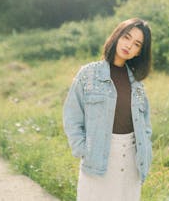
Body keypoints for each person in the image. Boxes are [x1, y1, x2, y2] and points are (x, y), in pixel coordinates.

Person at [63, 18, 153, 201]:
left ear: (138, 52)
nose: (129, 45)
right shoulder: (88, 74)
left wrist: (147, 152)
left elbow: (145, 124)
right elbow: (72, 116)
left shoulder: (136, 84)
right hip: (98, 157)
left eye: (136, 44)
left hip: (132, 160)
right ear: (117, 36)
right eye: (126, 37)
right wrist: (83, 149)